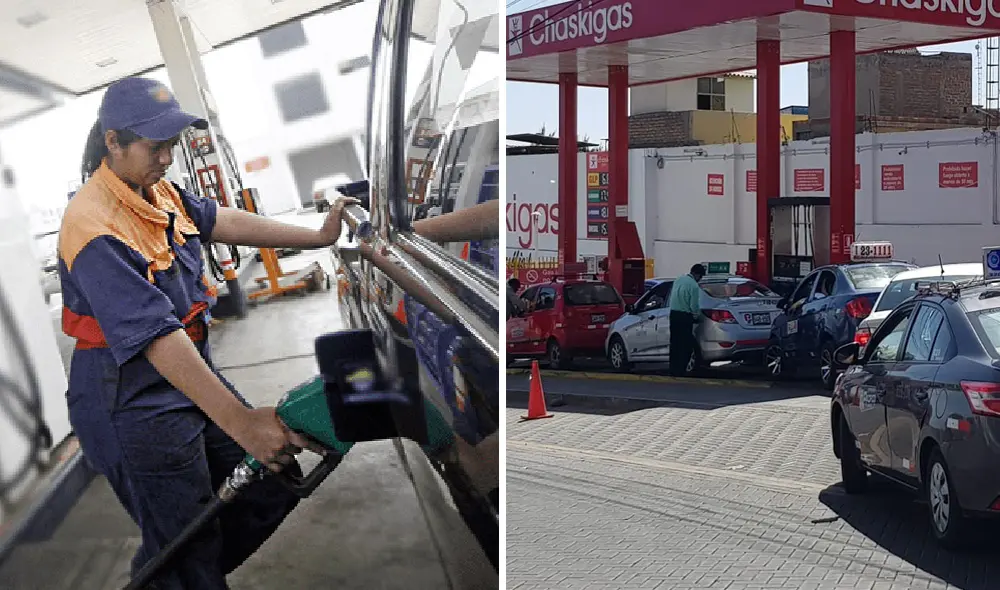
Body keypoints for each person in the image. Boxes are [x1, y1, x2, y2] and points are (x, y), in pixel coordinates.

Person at [58, 76, 357, 589]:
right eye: (156, 147)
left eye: (171, 145)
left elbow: (221, 220)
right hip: (128, 396)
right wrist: (240, 421)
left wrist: (317, 237)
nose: (167, 157)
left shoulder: (154, 190)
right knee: (186, 543)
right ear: (114, 142)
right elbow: (155, 336)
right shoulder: (92, 225)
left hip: (184, 373)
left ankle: (180, 573)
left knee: (268, 485)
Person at [667, 264, 706, 376]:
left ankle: (673, 369)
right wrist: (697, 316)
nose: (700, 279)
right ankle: (681, 370)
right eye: (701, 277)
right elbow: (694, 306)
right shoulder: (694, 286)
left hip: (673, 315)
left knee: (674, 344)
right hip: (685, 317)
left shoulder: (678, 279)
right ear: (697, 275)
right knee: (686, 346)